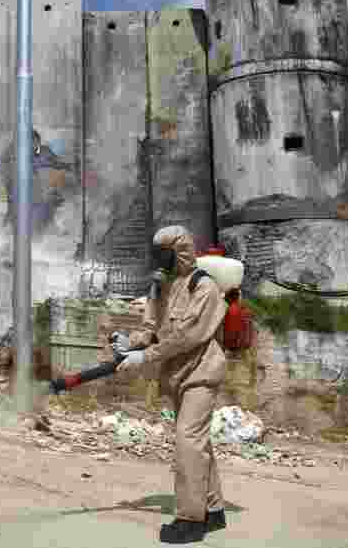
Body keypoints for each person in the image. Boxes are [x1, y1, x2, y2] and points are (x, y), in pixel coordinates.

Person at [111, 225, 228, 544]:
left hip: (202, 372)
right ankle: (214, 509)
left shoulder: (203, 286)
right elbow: (152, 327)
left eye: (164, 253)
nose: (158, 260)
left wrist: (146, 357)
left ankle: (191, 520)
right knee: (196, 442)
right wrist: (131, 343)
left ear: (181, 252)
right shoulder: (161, 286)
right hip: (177, 374)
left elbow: (185, 336)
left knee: (188, 441)